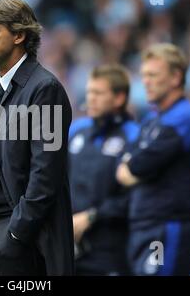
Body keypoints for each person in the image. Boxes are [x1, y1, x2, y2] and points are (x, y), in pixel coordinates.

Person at [0, 0, 74, 276]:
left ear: (18, 34)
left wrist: (16, 233)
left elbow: (46, 174)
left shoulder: (45, 89)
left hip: (22, 235)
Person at [116, 43, 190, 276]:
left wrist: (134, 168)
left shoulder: (185, 116)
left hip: (167, 228)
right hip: (142, 226)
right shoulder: (151, 120)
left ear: (176, 77)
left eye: (153, 75)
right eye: (144, 75)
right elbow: (123, 165)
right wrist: (134, 169)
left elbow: (139, 164)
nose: (145, 81)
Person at [68, 64, 139, 275]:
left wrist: (91, 217)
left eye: (98, 93)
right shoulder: (77, 130)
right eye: (89, 92)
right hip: (68, 244)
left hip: (111, 248)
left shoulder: (134, 136)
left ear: (118, 98)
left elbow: (134, 196)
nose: (91, 98)